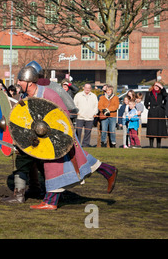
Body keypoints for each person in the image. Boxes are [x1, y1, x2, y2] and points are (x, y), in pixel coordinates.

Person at [14, 66, 118, 210]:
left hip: (59, 135)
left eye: (21, 80)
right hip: (43, 139)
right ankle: (108, 170)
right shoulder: (26, 98)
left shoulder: (49, 94)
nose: (18, 83)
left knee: (55, 165)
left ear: (29, 82)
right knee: (80, 159)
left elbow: (63, 115)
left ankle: (50, 201)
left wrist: (58, 136)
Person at [73, 83, 98, 147]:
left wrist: (94, 113)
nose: (87, 89)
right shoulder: (78, 95)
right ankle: (77, 144)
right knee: (78, 131)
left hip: (89, 117)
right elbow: (74, 104)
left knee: (88, 132)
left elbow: (96, 106)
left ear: (90, 89)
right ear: (83, 88)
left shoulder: (93, 96)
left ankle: (85, 144)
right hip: (80, 117)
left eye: (89, 88)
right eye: (86, 87)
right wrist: (77, 111)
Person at [144, 81, 167, 148]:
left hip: (160, 112)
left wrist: (162, 87)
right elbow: (146, 102)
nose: (156, 87)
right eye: (155, 86)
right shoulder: (149, 93)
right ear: (153, 86)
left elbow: (166, 95)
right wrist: (148, 106)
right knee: (152, 128)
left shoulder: (161, 93)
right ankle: (151, 145)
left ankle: (158, 145)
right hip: (152, 112)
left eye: (158, 86)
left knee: (159, 128)